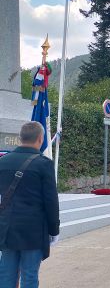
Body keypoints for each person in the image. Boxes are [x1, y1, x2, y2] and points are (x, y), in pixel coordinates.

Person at [0, 121, 59, 288]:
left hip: (7, 229)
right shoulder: (43, 164)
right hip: (33, 231)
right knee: (29, 276)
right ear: (40, 139)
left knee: (6, 275)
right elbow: (51, 201)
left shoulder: (3, 162)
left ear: (20, 138)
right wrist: (54, 230)